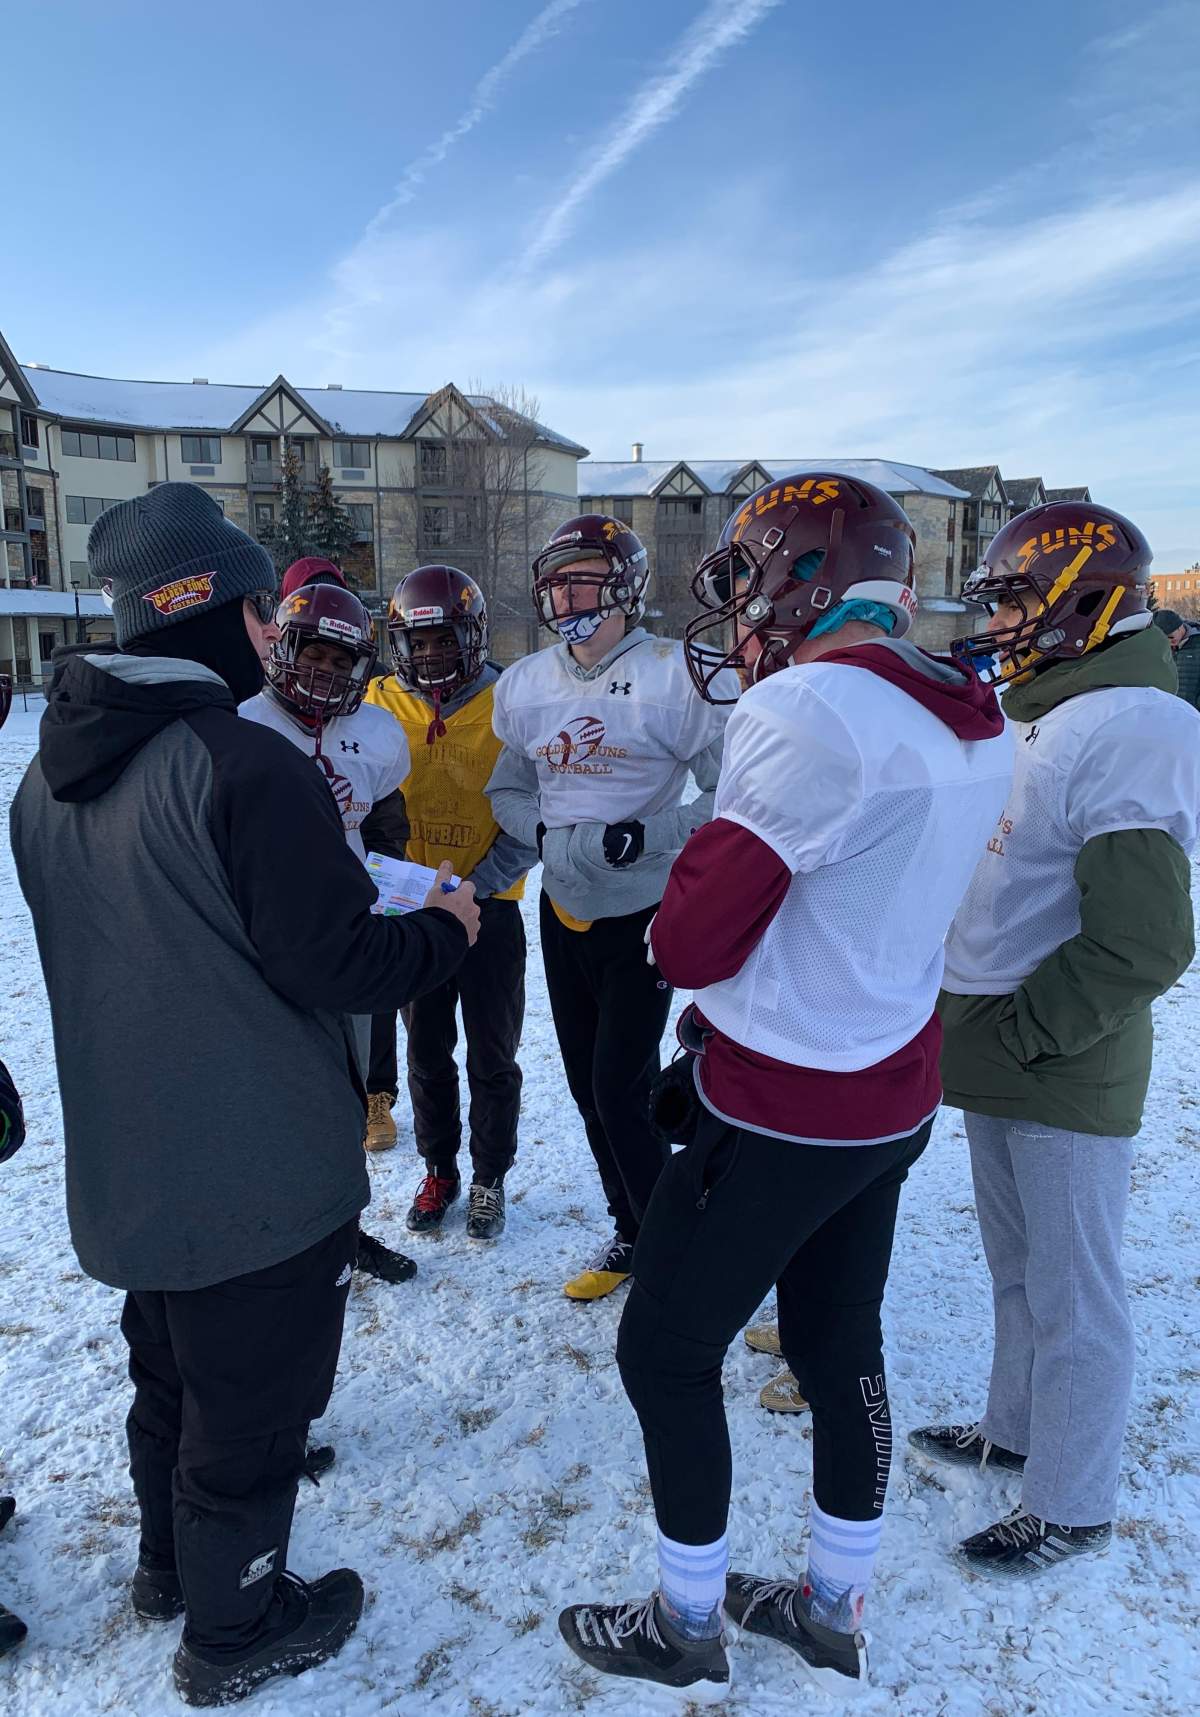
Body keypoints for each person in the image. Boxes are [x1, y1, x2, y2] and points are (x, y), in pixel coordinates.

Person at [9, 484, 478, 1707]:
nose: (276, 633)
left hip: (128, 1157)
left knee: (168, 1372)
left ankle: (171, 1566)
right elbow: (339, 960)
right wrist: (447, 927)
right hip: (256, 1166)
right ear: (220, 609)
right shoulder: (241, 762)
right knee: (253, 1403)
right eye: (265, 609)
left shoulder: (42, 781)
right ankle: (237, 1622)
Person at [559, 474, 1014, 1699]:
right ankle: (831, 1604)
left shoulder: (811, 708)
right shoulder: (972, 706)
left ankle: (685, 1621)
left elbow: (692, 940)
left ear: (801, 577)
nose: (739, 613)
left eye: (747, 578)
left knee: (663, 1351)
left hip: (783, 1095)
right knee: (835, 1339)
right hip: (892, 1083)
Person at [911, 500, 1200, 1575]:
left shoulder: (1132, 723)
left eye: (1016, 600)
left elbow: (1145, 938)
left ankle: (1073, 1501)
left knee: (1076, 1288)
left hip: (1062, 1049)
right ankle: (1017, 1427)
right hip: (1004, 1035)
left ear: (1086, 601)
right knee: (1019, 1267)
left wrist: (1032, 1033)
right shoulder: (1049, 705)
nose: (1000, 622)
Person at [487, 514, 737, 1299]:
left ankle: (672, 1245)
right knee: (588, 1088)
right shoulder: (527, 684)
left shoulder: (675, 674)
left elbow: (731, 790)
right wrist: (550, 836)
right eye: (556, 581)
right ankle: (633, 1227)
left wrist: (650, 836)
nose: (566, 595)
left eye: (583, 577)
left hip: (643, 912)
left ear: (624, 584)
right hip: (562, 908)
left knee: (619, 1089)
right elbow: (506, 789)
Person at [240, 576, 422, 1285]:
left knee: (345, 1097)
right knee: (273, 1098)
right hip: (261, 941)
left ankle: (344, 1228)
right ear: (283, 648)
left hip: (343, 935)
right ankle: (276, 1236)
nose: (322, 670)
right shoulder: (243, 724)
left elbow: (385, 831)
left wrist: (389, 907)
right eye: (311, 653)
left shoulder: (375, 734)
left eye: (339, 660)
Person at [362, 567, 535, 1241]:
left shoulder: (510, 701)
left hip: (489, 905)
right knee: (426, 1053)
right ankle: (440, 1168)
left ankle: (490, 1174)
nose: (431, 653)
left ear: (473, 635)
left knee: (493, 1054)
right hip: (415, 911)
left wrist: (479, 884)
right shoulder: (376, 700)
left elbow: (533, 807)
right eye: (419, 641)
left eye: (445, 639)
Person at [1151, 607, 1200, 709]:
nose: (1169, 641)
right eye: (1164, 639)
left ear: (1179, 627)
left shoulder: (1197, 644)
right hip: (1170, 711)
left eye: (1171, 636)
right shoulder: (1159, 649)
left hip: (1194, 711)